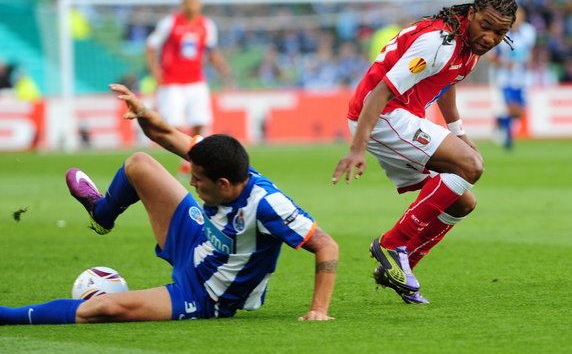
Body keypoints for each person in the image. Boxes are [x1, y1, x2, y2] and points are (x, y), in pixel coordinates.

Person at [0, 83, 338, 325]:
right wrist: (143, 110)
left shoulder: (268, 206)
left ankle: (7, 316)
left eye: (198, 180)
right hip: (195, 242)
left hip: (205, 293)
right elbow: (164, 134)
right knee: (139, 165)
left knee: (104, 310)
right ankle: (102, 214)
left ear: (223, 184)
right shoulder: (219, 160)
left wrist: (319, 309)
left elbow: (326, 246)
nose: (191, 183)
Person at [331, 0, 517, 304]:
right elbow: (380, 93)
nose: (489, 37)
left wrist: (458, 132)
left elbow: (447, 82)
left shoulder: (468, 45)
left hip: (397, 115)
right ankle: (392, 245)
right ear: (471, 14)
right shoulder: (438, 43)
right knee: (471, 166)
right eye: (485, 26)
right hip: (380, 115)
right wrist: (356, 148)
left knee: (462, 203)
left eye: (500, 32)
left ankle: (400, 269)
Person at [146, 0, 233, 174]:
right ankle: (187, 158)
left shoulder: (207, 25)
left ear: (199, 4)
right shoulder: (169, 23)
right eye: (188, 1)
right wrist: (155, 70)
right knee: (174, 125)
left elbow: (211, 51)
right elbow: (151, 46)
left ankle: (191, 162)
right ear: (182, 3)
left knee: (200, 122)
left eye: (195, 1)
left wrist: (223, 69)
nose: (191, 4)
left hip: (196, 81)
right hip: (172, 83)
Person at [488, 6, 536, 150]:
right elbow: (491, 56)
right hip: (506, 78)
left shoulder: (528, 32)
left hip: (522, 78)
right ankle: (508, 141)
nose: (517, 19)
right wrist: (504, 64)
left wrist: (529, 61)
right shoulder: (501, 33)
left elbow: (530, 51)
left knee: (519, 112)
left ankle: (500, 121)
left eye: (520, 15)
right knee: (511, 108)